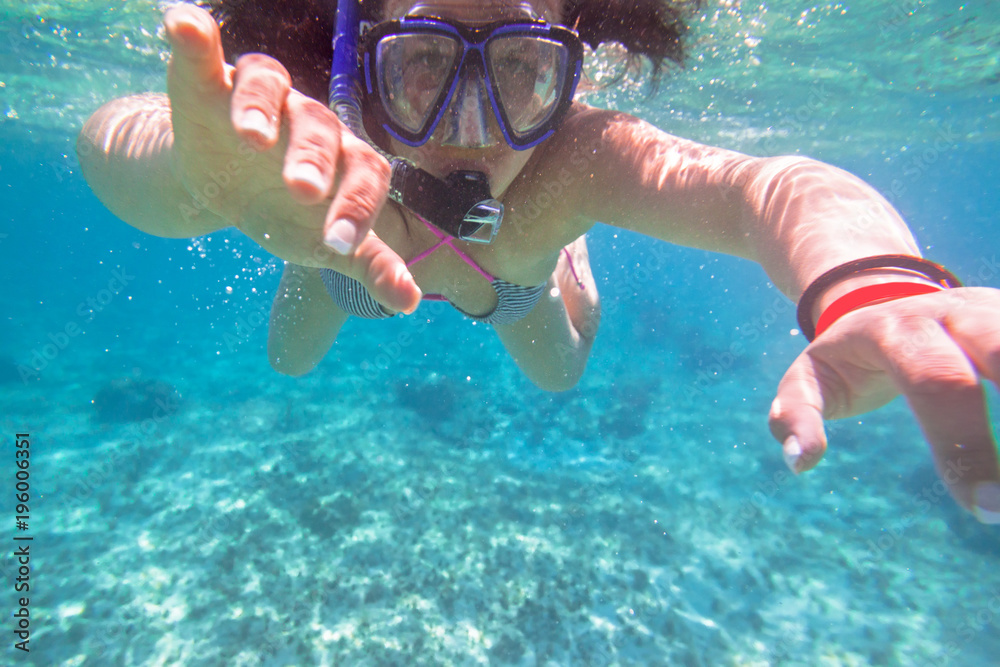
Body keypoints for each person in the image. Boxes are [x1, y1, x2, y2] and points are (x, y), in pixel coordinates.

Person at [77, 0, 1000, 522]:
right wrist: (202, 178)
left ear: (573, 72)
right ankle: (319, 247)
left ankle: (568, 261)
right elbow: (109, 145)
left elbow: (771, 188)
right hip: (345, 265)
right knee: (287, 357)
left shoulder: (579, 159)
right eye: (423, 64)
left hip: (509, 285)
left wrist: (868, 277)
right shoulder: (318, 138)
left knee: (563, 374)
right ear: (359, 60)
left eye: (521, 69)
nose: (468, 126)